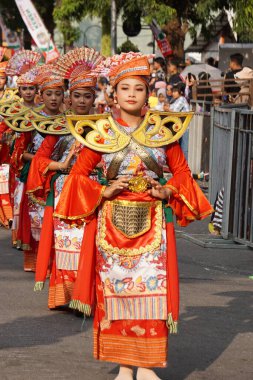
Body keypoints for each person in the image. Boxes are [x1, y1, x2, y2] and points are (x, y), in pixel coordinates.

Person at [54, 54, 213, 380]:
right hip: (111, 227)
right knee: (116, 295)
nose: (131, 94)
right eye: (124, 88)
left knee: (150, 294)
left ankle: (147, 365)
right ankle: (125, 366)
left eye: (138, 88)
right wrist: (103, 192)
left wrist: (166, 191)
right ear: (113, 93)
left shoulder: (161, 131)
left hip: (151, 226)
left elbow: (182, 175)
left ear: (146, 94)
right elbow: (77, 178)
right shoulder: (100, 133)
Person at [28, 47, 105, 309]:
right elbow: (39, 159)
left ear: (94, 98)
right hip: (63, 190)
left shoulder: (103, 128)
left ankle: (85, 297)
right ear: (68, 98)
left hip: (93, 192)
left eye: (87, 96)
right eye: (77, 96)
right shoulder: (59, 127)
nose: (82, 101)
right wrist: (60, 164)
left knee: (89, 245)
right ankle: (66, 296)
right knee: (66, 247)